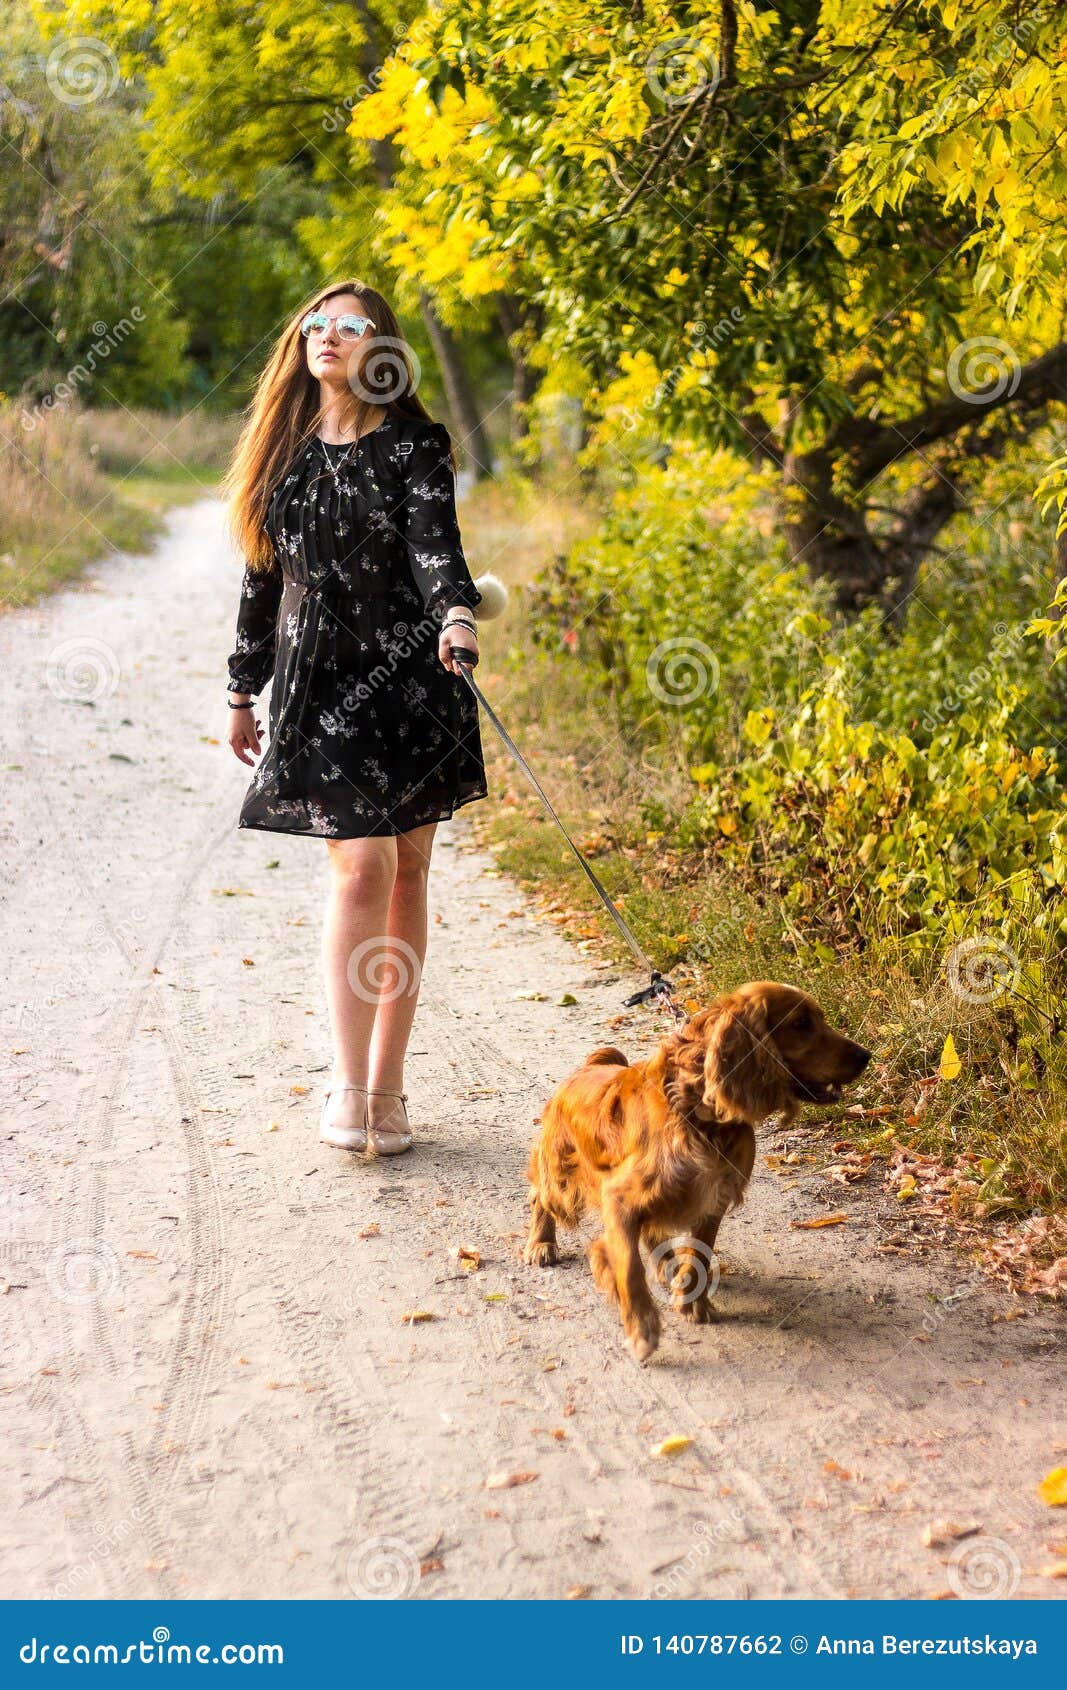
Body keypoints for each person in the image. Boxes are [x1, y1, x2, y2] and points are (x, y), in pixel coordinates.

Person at [223, 279, 489, 1158]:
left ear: (379, 350)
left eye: (348, 325)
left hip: (414, 679)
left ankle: (387, 1088)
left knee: (409, 873)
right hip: (323, 689)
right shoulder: (281, 455)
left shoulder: (415, 445)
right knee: (361, 871)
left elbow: (433, 546)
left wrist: (455, 614)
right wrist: (241, 686)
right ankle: (345, 1081)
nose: (326, 335)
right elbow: (263, 579)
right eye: (315, 322)